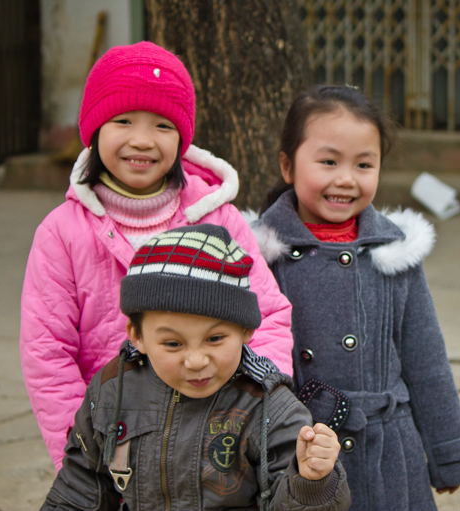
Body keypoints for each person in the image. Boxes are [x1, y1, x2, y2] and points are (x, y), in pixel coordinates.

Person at [20, 41, 293, 472]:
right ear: (93, 130)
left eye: (163, 125)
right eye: (123, 120)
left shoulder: (218, 220)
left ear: (183, 138)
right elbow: (47, 353)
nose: (142, 140)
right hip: (116, 446)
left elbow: (268, 316)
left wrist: (256, 413)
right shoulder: (61, 232)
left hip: (216, 440)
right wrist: (80, 457)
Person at [250, 84, 460, 510]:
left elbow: (426, 359)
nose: (345, 179)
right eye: (328, 161)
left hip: (389, 451)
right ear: (287, 165)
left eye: (363, 164)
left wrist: (449, 453)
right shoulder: (262, 255)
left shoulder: (394, 254)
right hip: (301, 450)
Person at [40, 224, 350, 511]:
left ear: (246, 330)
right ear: (137, 336)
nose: (196, 360)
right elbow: (80, 488)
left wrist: (311, 480)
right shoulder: (113, 391)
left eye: (215, 338)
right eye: (173, 344)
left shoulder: (268, 405)